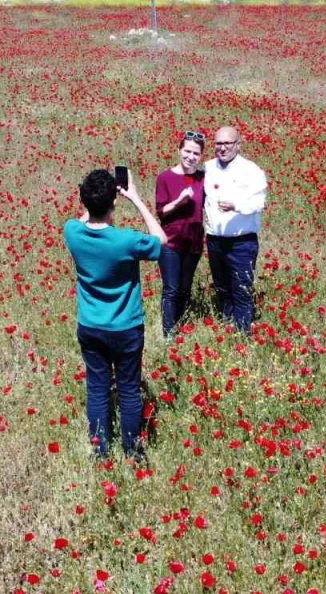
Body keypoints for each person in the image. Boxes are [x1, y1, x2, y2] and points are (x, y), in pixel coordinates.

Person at [64, 169, 167, 458]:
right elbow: (161, 239)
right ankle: (132, 450)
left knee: (97, 388)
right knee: (129, 389)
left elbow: (86, 218)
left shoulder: (71, 231)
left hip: (90, 326)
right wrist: (134, 198)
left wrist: (96, 206)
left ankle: (100, 450)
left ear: (84, 201)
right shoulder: (126, 241)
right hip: (125, 328)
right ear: (114, 203)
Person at [203, 125, 267, 337]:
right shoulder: (207, 168)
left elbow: (259, 202)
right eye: (218, 143)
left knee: (241, 290)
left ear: (238, 145)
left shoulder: (252, 170)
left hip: (241, 242)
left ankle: (243, 336)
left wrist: (236, 205)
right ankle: (227, 328)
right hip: (214, 239)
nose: (222, 148)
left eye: (227, 143)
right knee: (222, 288)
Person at [155, 131, 207, 341]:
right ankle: (169, 334)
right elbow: (161, 211)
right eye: (187, 151)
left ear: (201, 156)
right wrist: (179, 201)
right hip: (170, 241)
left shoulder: (203, 178)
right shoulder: (165, 177)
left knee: (185, 288)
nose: (190, 157)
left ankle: (181, 325)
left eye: (196, 153)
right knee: (171, 289)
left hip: (193, 241)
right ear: (179, 150)